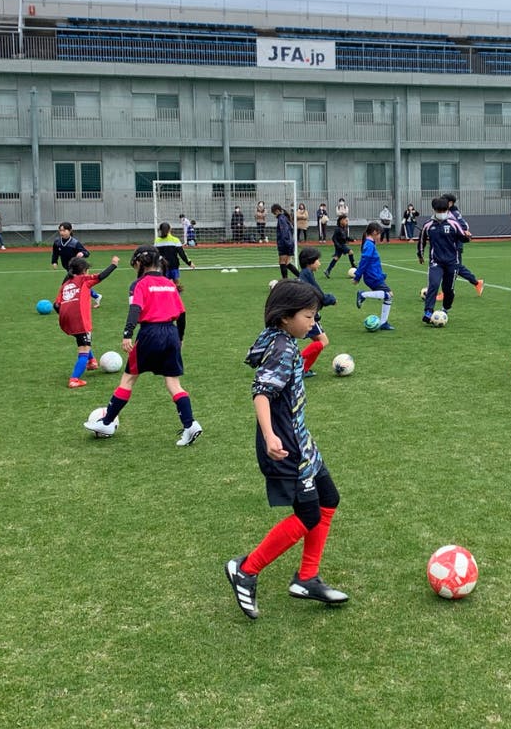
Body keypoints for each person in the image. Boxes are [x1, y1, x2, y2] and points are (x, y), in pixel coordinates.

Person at [225, 279, 348, 619]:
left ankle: (307, 578)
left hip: (301, 441)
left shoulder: (282, 339)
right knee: (308, 515)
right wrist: (269, 436)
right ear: (285, 317)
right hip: (285, 446)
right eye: (308, 316)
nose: (313, 323)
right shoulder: (282, 347)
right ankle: (246, 570)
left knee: (328, 499)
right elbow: (261, 393)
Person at [83, 245, 202, 445]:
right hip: (171, 333)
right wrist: (180, 338)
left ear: (139, 262)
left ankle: (107, 422)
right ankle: (190, 425)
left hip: (150, 333)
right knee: (173, 383)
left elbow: (135, 309)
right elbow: (182, 314)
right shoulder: (169, 283)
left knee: (128, 379)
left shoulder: (139, 284)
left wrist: (127, 334)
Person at [55, 255, 119, 388]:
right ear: (84, 270)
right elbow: (101, 276)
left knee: (82, 338)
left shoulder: (65, 285)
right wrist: (114, 264)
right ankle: (74, 379)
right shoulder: (84, 280)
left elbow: (56, 305)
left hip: (65, 319)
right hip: (79, 319)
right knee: (83, 348)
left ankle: (92, 361)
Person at [417, 195, 470, 323]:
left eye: (443, 211)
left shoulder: (453, 223)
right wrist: (420, 254)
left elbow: (462, 237)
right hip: (436, 261)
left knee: (448, 289)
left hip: (452, 262)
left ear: (447, 210)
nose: (441, 213)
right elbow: (422, 240)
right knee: (433, 284)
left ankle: (445, 308)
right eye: (439, 211)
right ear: (434, 210)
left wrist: (467, 236)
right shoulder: (428, 225)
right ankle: (428, 311)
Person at [296, 246, 336, 376]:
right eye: (317, 260)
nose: (319, 263)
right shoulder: (306, 275)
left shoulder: (305, 274)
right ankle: (296, 364)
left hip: (305, 314)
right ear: (310, 261)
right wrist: (332, 299)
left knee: (319, 341)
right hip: (308, 315)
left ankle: (303, 369)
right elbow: (320, 296)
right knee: (323, 341)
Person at [353, 221, 394, 330]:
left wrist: (381, 275)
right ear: (375, 232)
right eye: (380, 234)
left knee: (388, 296)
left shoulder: (369, 244)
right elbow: (364, 262)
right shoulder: (369, 244)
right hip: (373, 277)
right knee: (389, 295)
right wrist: (357, 276)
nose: (380, 236)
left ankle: (383, 323)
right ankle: (363, 294)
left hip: (375, 276)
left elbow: (371, 262)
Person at [444, 195, 483, 295]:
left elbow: (464, 226)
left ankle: (447, 292)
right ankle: (476, 283)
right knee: (456, 268)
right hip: (449, 245)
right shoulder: (447, 213)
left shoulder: (454, 214)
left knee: (453, 268)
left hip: (456, 245)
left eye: (444, 201)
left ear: (450, 203)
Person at [272, 203, 298, 280]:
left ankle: (285, 280)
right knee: (286, 263)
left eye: (274, 213)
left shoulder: (281, 219)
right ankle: (301, 277)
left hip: (285, 243)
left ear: (277, 211)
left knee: (283, 262)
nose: (274, 215)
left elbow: (285, 232)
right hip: (288, 243)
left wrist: (287, 243)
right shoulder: (285, 217)